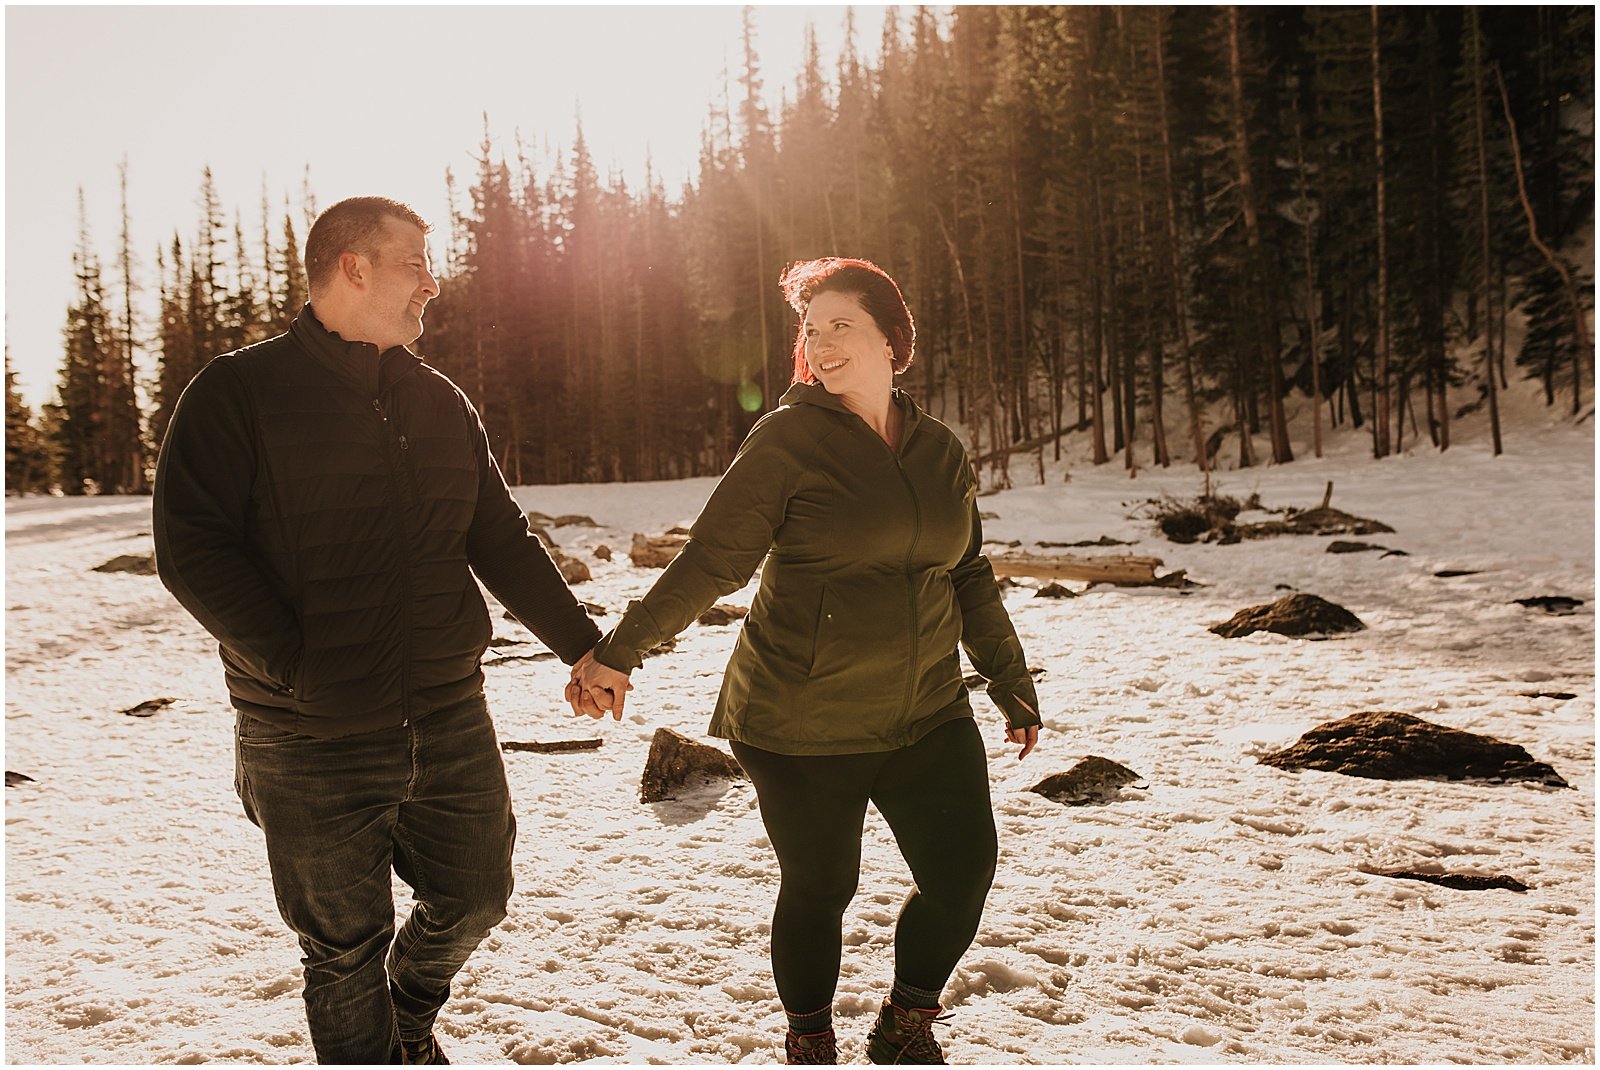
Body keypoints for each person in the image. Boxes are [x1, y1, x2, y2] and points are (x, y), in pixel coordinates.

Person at [153, 196, 601, 1064]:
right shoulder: (238, 391)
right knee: (342, 950)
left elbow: (498, 536)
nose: (433, 284)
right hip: (309, 734)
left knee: (476, 896)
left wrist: (583, 643)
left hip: (446, 712)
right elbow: (191, 548)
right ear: (354, 266)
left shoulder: (439, 400)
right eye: (416, 264)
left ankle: (407, 1016)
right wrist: (294, 666)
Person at [568, 257, 1042, 1065]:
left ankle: (906, 1023)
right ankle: (809, 1039)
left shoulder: (939, 450)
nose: (820, 345)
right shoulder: (786, 440)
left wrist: (1009, 679)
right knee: (824, 888)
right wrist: (619, 652)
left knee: (963, 875)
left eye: (840, 326)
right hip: (799, 716)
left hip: (926, 708)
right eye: (810, 329)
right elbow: (713, 561)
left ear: (894, 341)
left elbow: (965, 571)